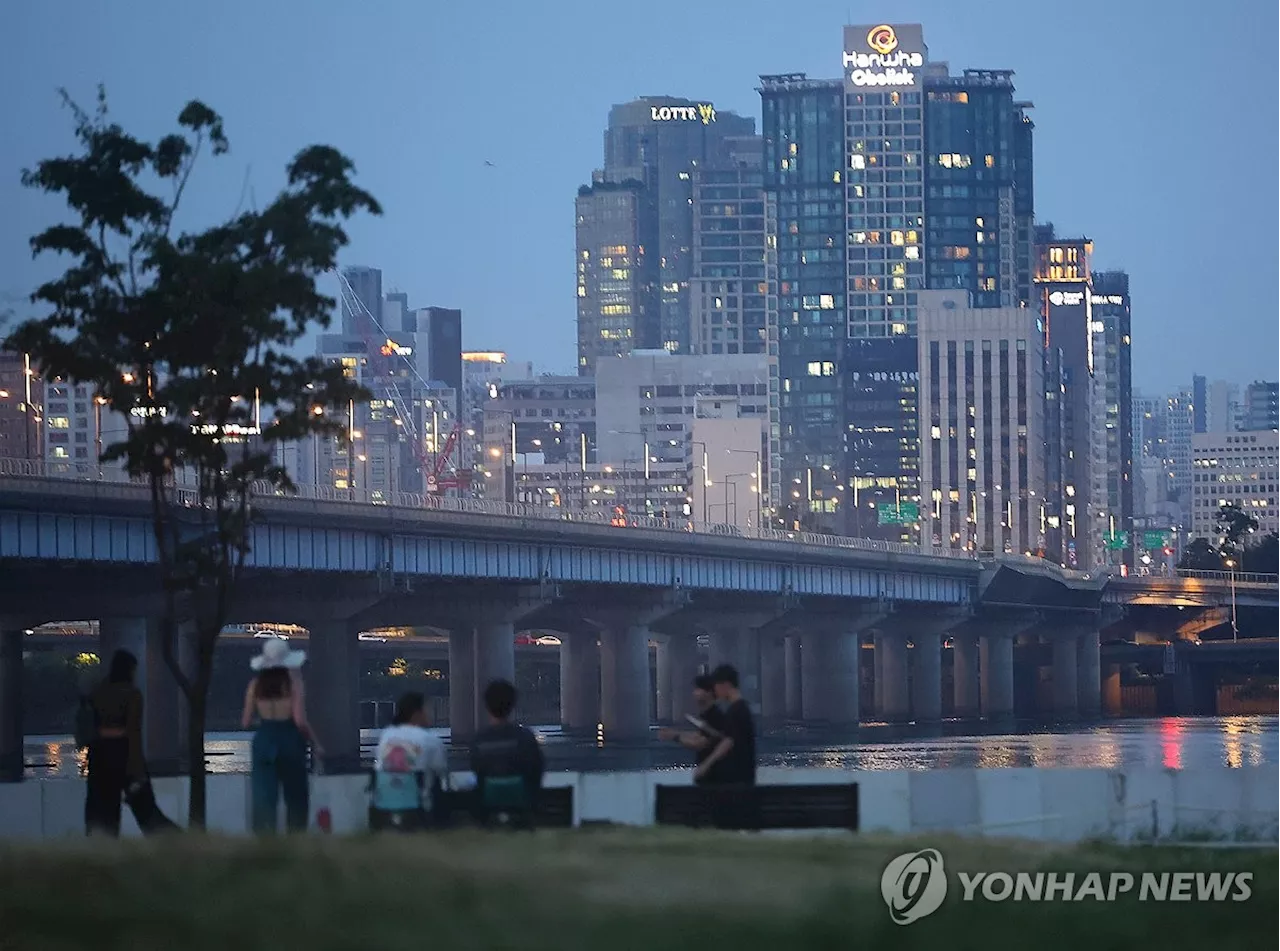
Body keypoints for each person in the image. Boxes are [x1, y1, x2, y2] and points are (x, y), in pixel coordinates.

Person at [241, 636, 320, 833]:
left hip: (264, 739)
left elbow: (245, 721)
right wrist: (315, 742)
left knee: (264, 796)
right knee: (296, 797)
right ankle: (295, 839)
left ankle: (265, 841)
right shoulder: (294, 684)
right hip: (290, 739)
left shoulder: (255, 685)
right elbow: (300, 720)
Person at [83, 649, 145, 836]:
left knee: (95, 801)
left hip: (98, 752)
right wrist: (137, 767)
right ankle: (111, 843)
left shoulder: (98, 691)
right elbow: (133, 731)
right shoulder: (132, 694)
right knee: (112, 803)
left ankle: (93, 841)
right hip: (119, 752)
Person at [469, 679, 544, 829]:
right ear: (512, 705)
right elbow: (537, 769)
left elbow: (476, 769)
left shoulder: (479, 739)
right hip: (522, 801)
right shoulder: (525, 737)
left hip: (487, 802)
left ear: (487, 706)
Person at [369, 691, 449, 832]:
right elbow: (442, 771)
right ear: (417, 713)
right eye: (428, 709)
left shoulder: (386, 735)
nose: (430, 714)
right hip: (417, 805)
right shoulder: (431, 739)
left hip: (384, 804)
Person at [657, 675, 729, 785]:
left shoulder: (714, 716)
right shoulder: (709, 714)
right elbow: (700, 735)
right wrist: (676, 733)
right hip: (711, 776)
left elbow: (700, 743)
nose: (694, 693)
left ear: (709, 692)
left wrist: (675, 737)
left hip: (714, 777)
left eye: (698, 690)